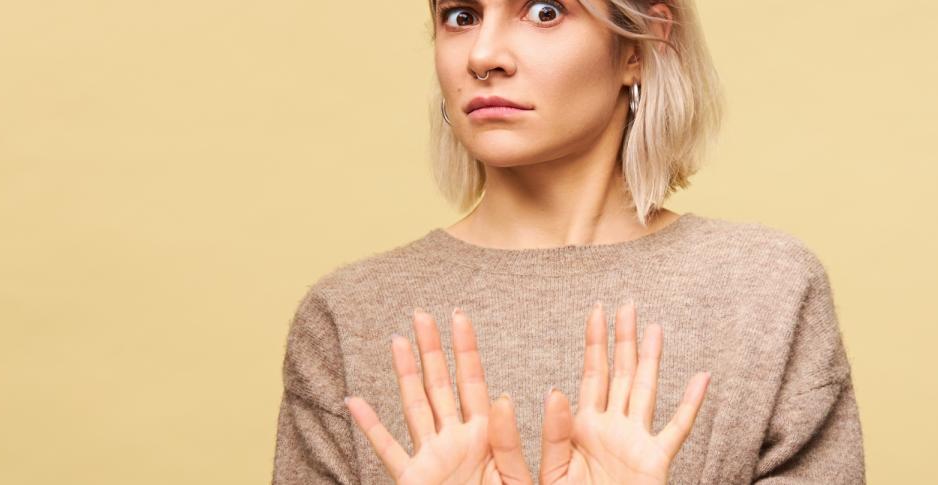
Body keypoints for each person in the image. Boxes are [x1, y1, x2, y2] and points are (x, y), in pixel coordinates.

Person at [271, 0, 866, 483]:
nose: (483, 56)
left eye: (545, 12)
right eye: (460, 16)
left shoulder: (765, 290)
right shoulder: (349, 315)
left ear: (639, 45)